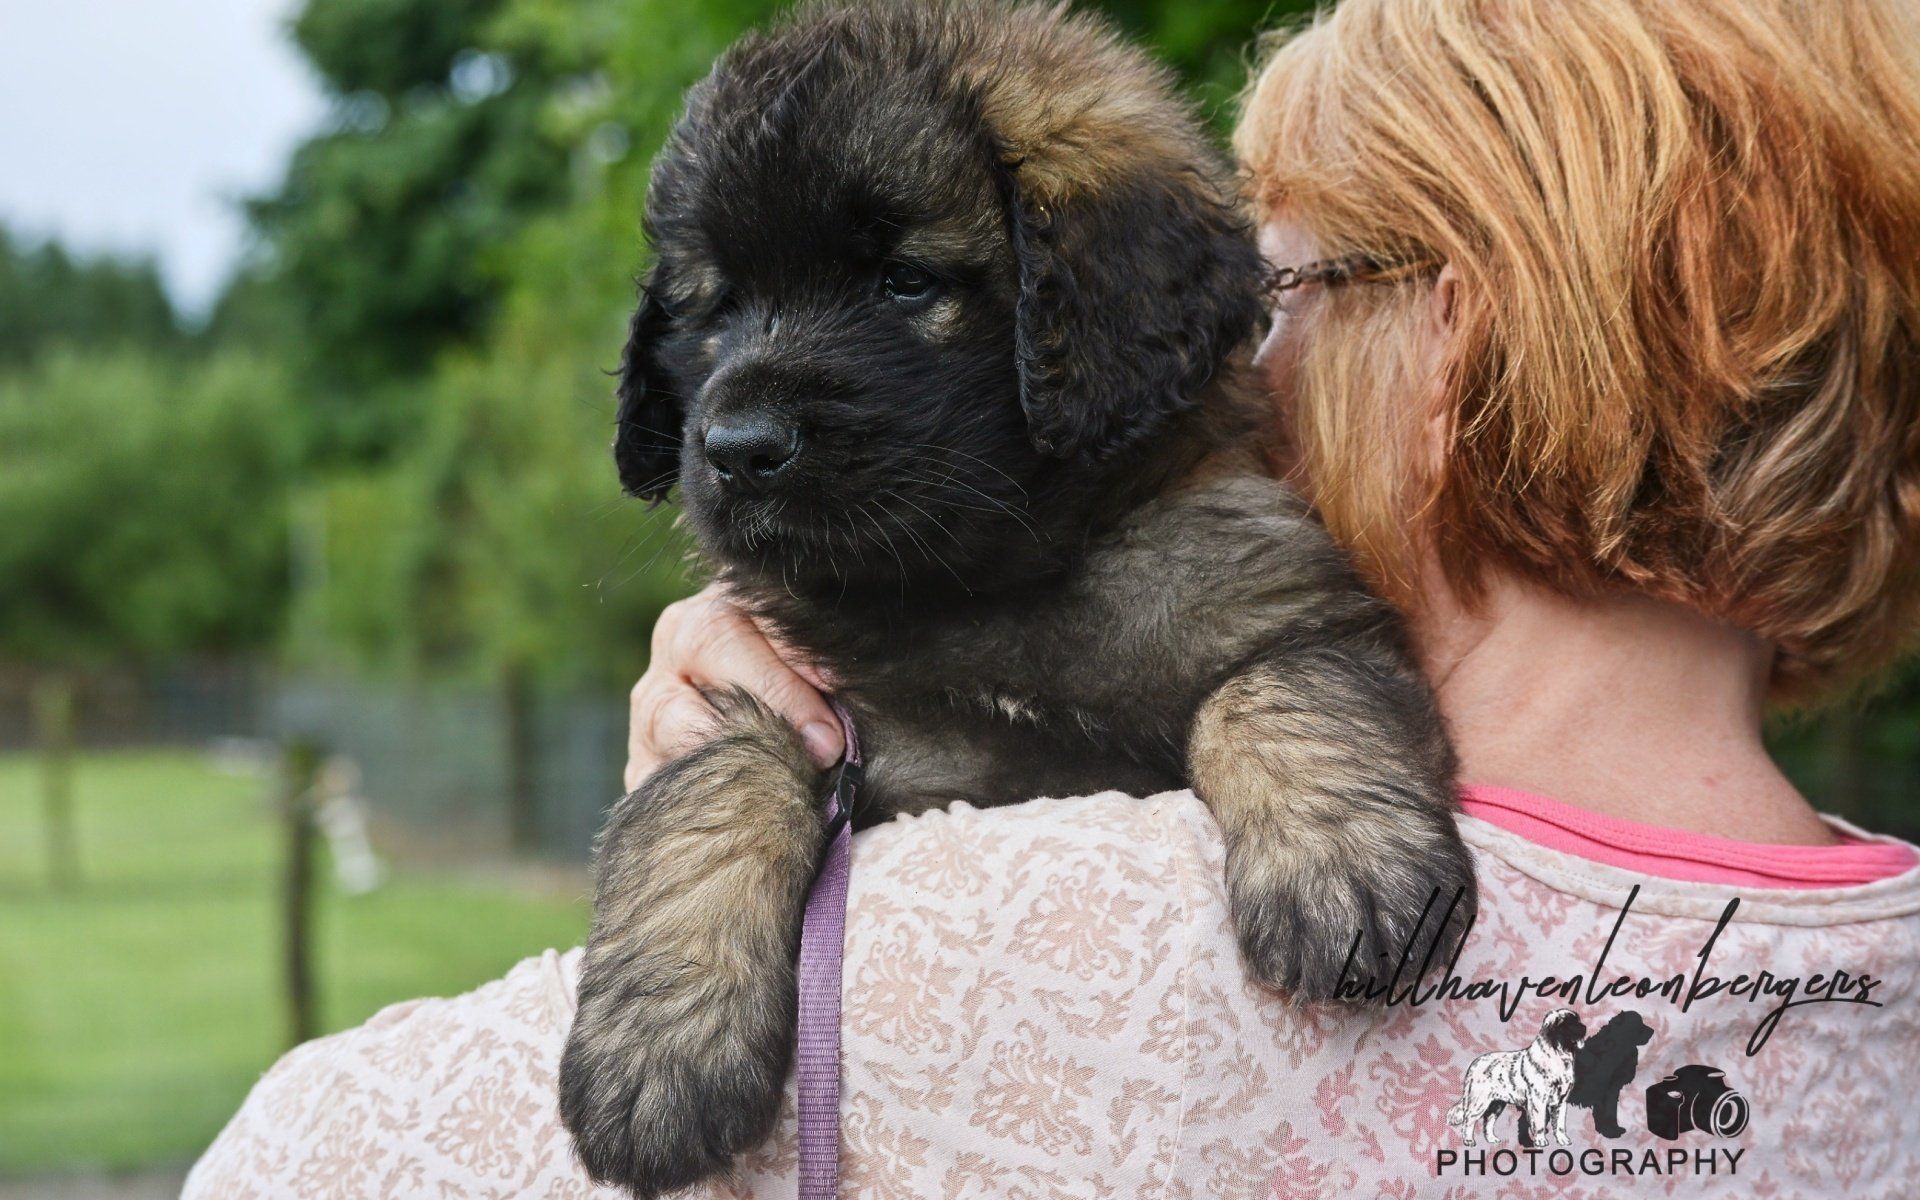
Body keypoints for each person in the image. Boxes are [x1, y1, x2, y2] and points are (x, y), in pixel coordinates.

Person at [186, 0, 1920, 1195]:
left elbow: (301, 1157)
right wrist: (737, 785)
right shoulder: (1877, 1007)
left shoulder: (982, 957)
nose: (1249, 342)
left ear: (1450, 346)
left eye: (1293, 281)